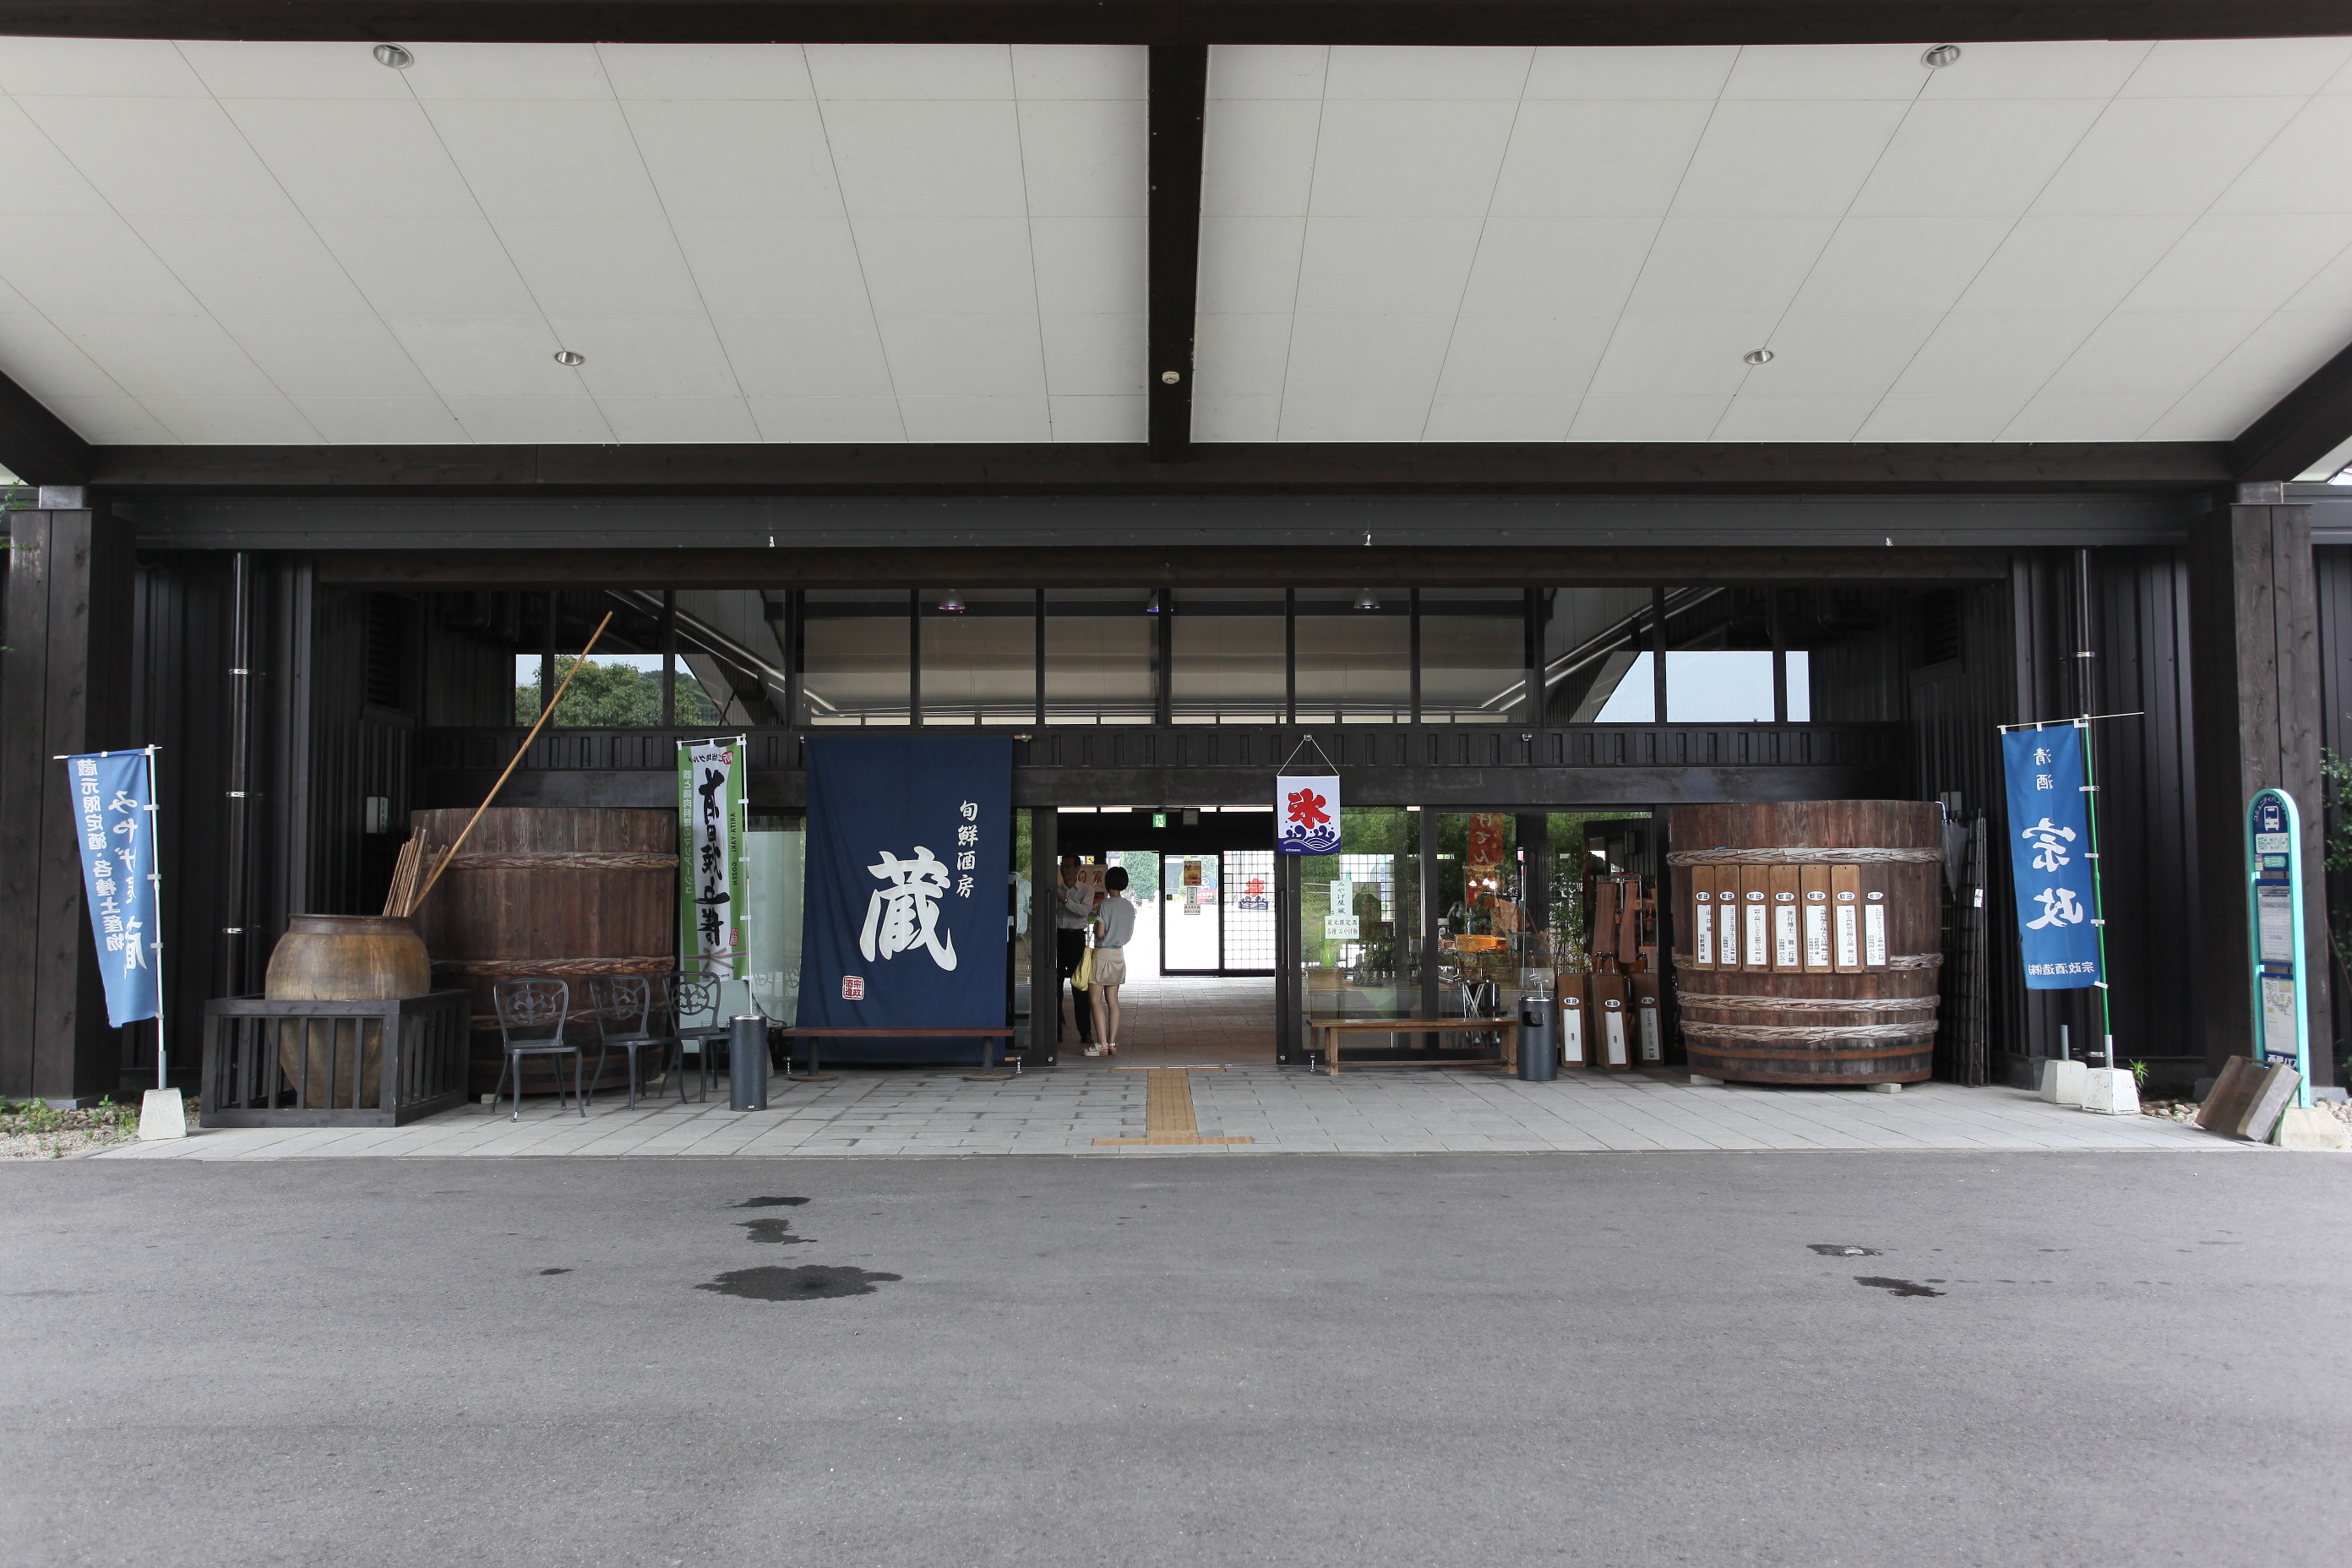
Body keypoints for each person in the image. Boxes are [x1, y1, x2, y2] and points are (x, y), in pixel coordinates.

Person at [1086, 865, 1135, 1058]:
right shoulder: (1129, 906)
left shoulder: (1105, 905)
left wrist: (1098, 924)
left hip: (1102, 955)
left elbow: (1100, 933)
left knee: (1095, 1000)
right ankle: (1112, 1043)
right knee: (1113, 1001)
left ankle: (1101, 1044)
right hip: (1118, 956)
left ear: (1107, 883)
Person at [1054, 856, 1098, 1049]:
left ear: (1078, 868)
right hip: (1057, 937)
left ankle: (1085, 1032)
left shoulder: (1086, 890)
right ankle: (1055, 1031)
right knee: (1054, 988)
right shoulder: (1055, 889)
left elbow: (1084, 912)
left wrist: (1064, 900)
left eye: (1068, 866)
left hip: (1076, 938)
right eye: (1062, 866)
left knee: (1080, 987)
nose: (1065, 870)